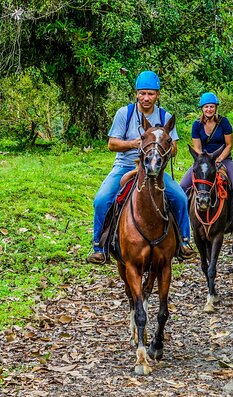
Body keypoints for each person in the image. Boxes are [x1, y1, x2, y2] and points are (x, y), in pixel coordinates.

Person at [86, 70, 195, 264]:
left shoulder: (164, 116)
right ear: (136, 93)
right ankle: (99, 247)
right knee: (102, 200)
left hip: (156, 168)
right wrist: (135, 144)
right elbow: (112, 144)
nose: (146, 98)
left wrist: (161, 146)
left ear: (157, 95)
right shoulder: (124, 113)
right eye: (142, 93)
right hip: (125, 165)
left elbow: (175, 148)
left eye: (151, 94)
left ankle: (184, 242)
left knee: (179, 197)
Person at [180, 92, 233, 233]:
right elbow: (197, 148)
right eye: (206, 107)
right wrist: (205, 161)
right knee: (182, 186)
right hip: (203, 161)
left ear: (216, 108)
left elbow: (229, 145)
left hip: (223, 158)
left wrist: (219, 159)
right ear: (202, 108)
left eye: (212, 106)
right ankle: (180, 221)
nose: (209, 109)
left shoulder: (224, 123)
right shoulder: (196, 125)